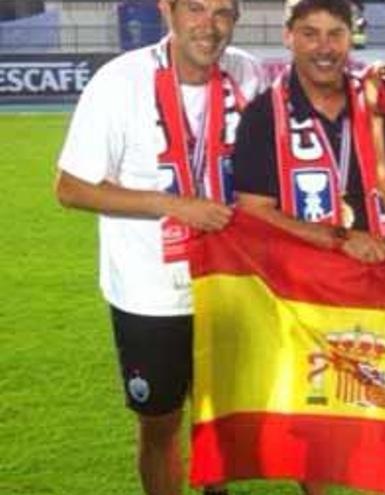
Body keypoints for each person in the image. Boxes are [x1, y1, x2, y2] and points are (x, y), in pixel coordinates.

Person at [53, 1, 265, 494]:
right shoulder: (118, 82)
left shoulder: (247, 73)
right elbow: (70, 188)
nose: (208, 26)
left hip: (232, 283)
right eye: (195, 8)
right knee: (161, 426)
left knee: (223, 415)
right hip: (151, 293)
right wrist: (171, 204)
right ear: (165, 8)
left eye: (223, 13)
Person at [232, 0, 385, 267]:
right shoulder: (263, 115)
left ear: (351, 38)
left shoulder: (374, 106)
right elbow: (255, 211)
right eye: (310, 34)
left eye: (335, 34)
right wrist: (341, 239)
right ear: (288, 37)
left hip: (376, 281)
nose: (324, 48)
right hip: (301, 289)